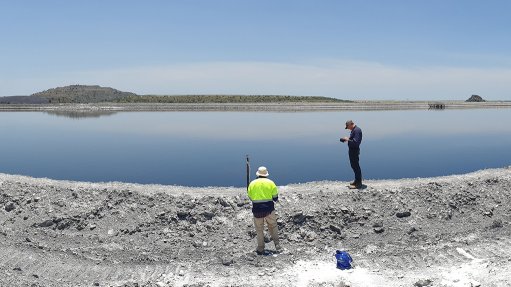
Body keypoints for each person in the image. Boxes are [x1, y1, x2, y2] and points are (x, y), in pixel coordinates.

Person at [247, 166, 282, 255]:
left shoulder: (252, 184)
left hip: (257, 210)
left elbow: (250, 197)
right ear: (266, 174)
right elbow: (275, 198)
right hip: (269, 209)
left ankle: (260, 248)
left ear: (258, 174)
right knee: (273, 226)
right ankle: (277, 245)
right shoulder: (271, 183)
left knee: (259, 229)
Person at [341, 120, 363, 189]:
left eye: (347, 127)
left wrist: (347, 139)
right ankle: (356, 181)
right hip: (352, 150)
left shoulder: (357, 130)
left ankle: (358, 183)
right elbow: (352, 140)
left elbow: (356, 142)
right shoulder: (354, 130)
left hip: (354, 151)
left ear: (351, 124)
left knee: (356, 166)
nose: (348, 128)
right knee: (353, 166)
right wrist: (345, 140)